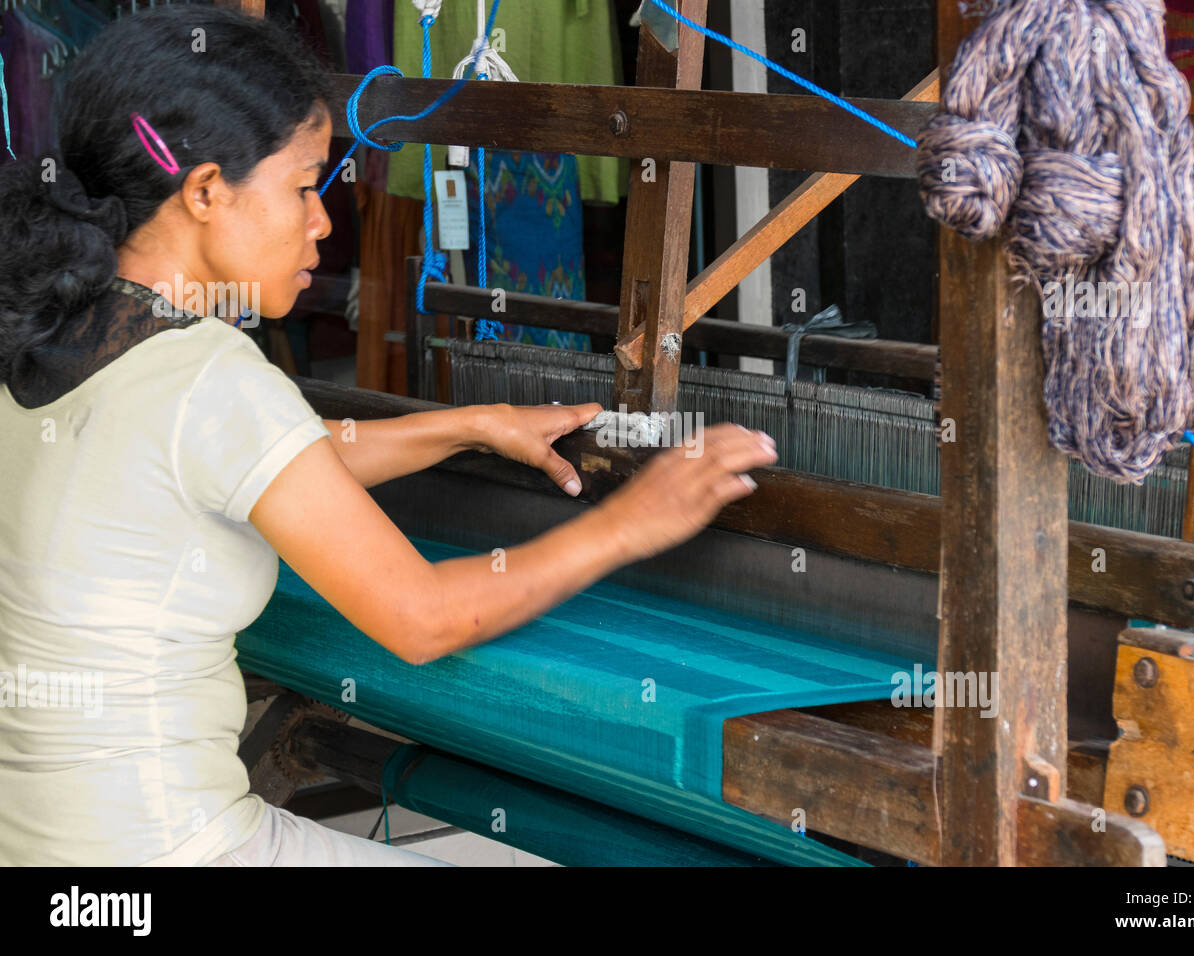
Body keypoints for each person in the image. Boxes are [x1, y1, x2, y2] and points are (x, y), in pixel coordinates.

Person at [0, 6, 777, 866]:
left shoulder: (46, 338)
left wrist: (468, 426)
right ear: (206, 190)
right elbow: (423, 618)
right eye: (302, 187)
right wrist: (634, 522)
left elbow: (269, 460)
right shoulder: (208, 374)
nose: (323, 222)